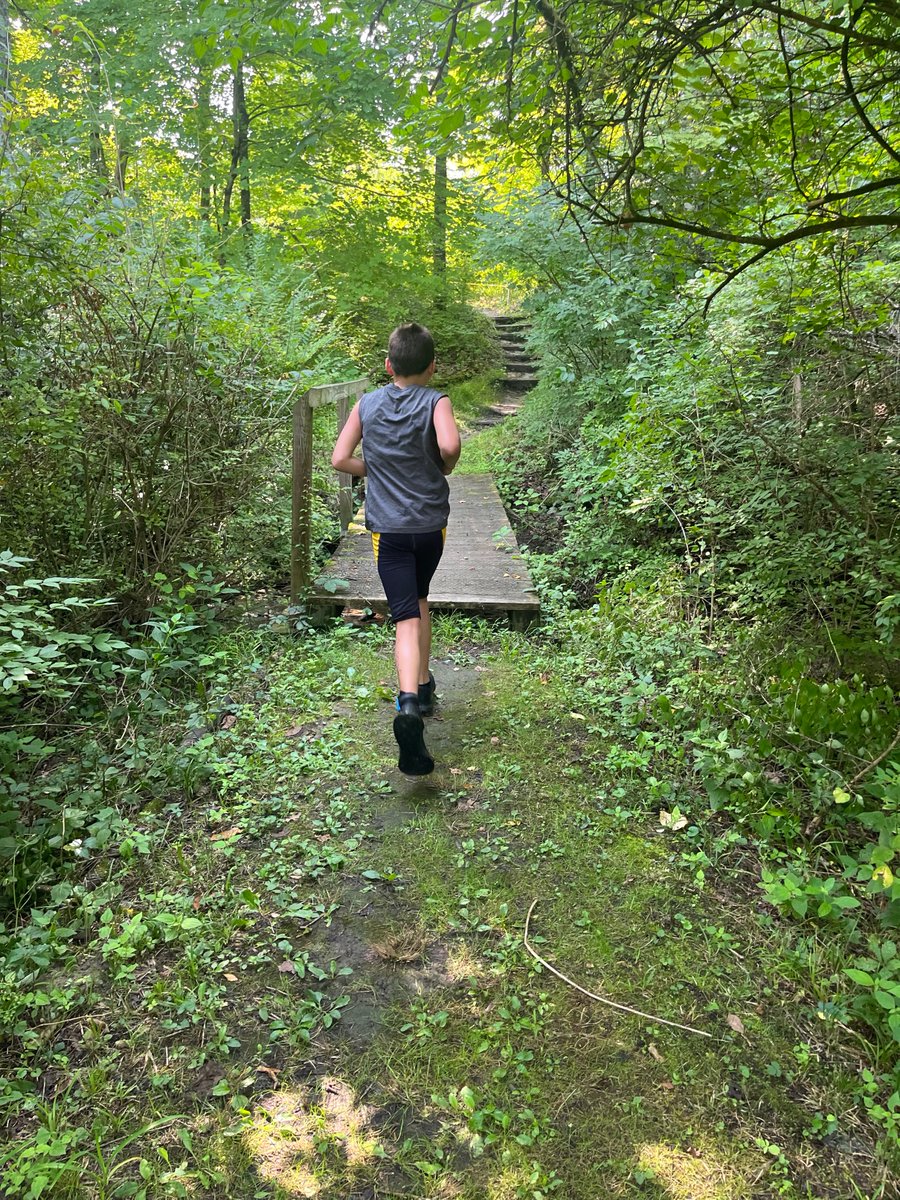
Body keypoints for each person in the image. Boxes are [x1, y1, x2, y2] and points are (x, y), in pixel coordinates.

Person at [331, 322, 461, 776]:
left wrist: (376, 470)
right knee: (421, 597)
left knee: (405, 614)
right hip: (429, 526)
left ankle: (408, 704)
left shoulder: (367, 403)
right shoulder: (437, 400)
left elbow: (339, 459)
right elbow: (449, 445)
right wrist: (440, 464)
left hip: (387, 528)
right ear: (431, 367)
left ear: (389, 365)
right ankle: (423, 686)